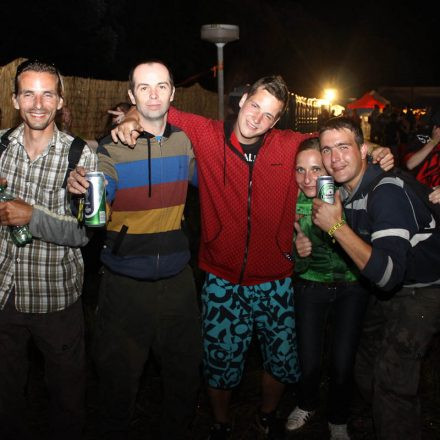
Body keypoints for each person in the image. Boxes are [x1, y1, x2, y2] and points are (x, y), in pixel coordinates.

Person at [111, 76, 394, 440]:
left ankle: (267, 415)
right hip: (221, 278)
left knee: (280, 360)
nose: (258, 119)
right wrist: (131, 115)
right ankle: (220, 422)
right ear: (243, 100)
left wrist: (375, 148)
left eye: (269, 115)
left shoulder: (287, 144)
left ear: (276, 121)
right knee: (219, 362)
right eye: (255, 106)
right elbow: (157, 108)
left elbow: (334, 143)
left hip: (276, 279)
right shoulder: (207, 134)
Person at [67, 60, 201, 440]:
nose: (153, 95)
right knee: (116, 384)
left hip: (178, 283)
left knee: (184, 378)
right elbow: (101, 189)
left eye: (161, 86)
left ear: (173, 93)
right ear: (132, 95)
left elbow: (213, 180)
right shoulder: (111, 147)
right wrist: (83, 191)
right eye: (144, 87)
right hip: (123, 285)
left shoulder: (186, 142)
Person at [312, 116, 440, 440]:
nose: (335, 158)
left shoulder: (386, 191)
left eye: (344, 147)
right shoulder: (344, 191)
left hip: (425, 289)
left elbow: (388, 275)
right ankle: (382, 415)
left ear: (363, 150)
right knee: (364, 356)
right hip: (387, 287)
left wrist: (337, 227)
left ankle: (395, 421)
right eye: (327, 150)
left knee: (393, 377)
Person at [0, 59, 97, 440]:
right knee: (6, 395)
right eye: (28, 94)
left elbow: (83, 234)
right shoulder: (0, 147)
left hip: (54, 297)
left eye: (47, 94)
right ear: (15, 99)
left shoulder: (80, 156)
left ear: (60, 101)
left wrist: (31, 216)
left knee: (67, 398)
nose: (38, 104)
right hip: (4, 295)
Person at [285, 137, 369, 440]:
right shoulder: (288, 202)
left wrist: (379, 151)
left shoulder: (346, 194)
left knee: (342, 362)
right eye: (300, 169)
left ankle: (338, 418)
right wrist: (297, 251)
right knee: (308, 359)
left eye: (316, 169)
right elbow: (290, 263)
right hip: (311, 286)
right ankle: (307, 402)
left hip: (351, 287)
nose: (307, 178)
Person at [404, 109, 440, 188]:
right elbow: (410, 164)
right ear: (436, 128)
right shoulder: (422, 138)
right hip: (418, 190)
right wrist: (433, 142)